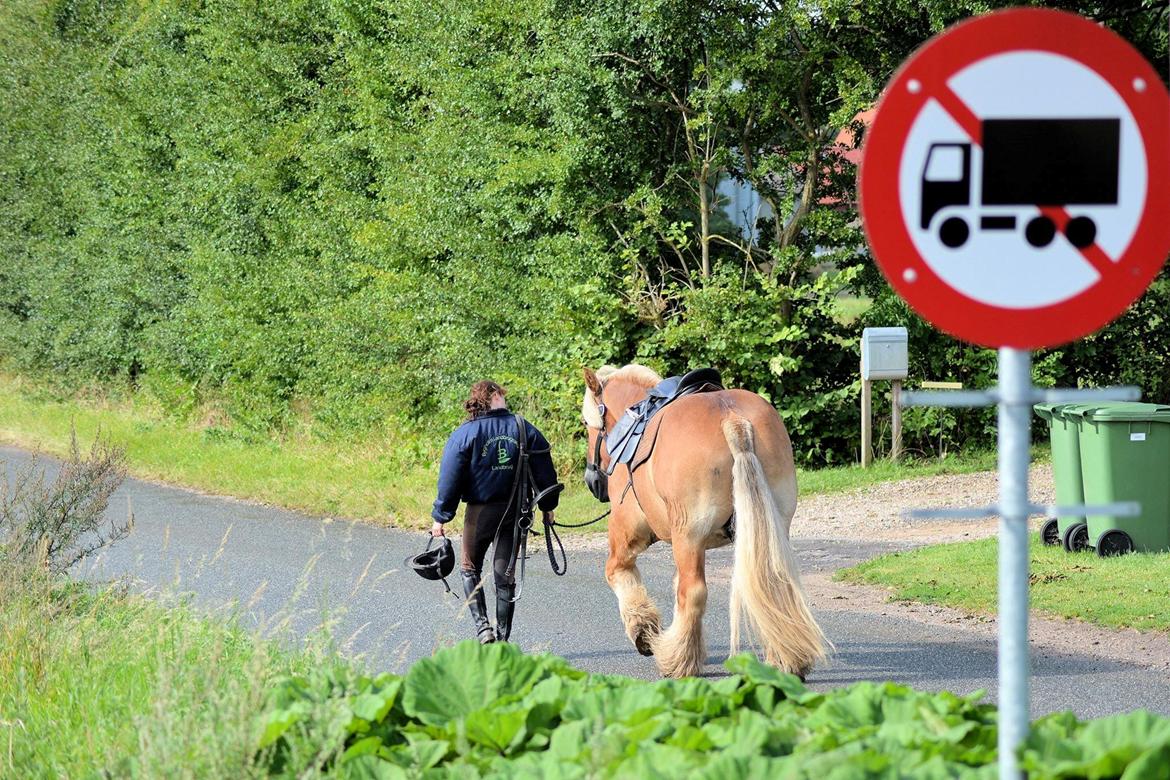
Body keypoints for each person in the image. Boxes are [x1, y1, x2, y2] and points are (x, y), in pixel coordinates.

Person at [431, 380, 560, 644]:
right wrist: (548, 508)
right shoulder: (524, 428)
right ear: (496, 396)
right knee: (504, 576)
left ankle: (483, 628)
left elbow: (449, 478)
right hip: (516, 513)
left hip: (480, 513)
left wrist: (441, 517)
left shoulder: (465, 433)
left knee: (469, 567)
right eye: (502, 394)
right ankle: (502, 640)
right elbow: (546, 473)